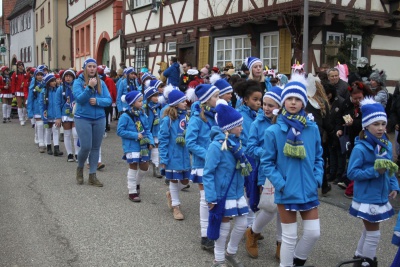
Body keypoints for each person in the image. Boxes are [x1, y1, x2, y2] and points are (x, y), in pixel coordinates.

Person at [260, 74, 324, 267]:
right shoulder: (273, 131)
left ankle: (298, 261)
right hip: (286, 190)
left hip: (308, 189)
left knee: (313, 233)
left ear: (304, 102)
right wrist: (281, 183)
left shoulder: (312, 128)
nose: (293, 103)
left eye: (297, 99)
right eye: (289, 99)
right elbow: (267, 163)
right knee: (289, 237)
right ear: (283, 102)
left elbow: (319, 157)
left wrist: (317, 178)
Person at [347, 97, 399, 266]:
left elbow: (389, 168)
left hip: (380, 194)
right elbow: (352, 173)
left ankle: (359, 257)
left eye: (383, 124)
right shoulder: (360, 147)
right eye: (376, 124)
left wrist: (394, 185)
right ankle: (367, 263)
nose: (380, 128)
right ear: (366, 125)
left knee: (368, 231)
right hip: (367, 196)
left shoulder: (386, 145)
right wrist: (375, 171)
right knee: (374, 234)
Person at [203, 99, 250, 267]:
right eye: (239, 126)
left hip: (237, 191)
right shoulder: (216, 146)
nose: (241, 128)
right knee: (223, 228)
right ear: (229, 127)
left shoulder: (237, 143)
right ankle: (219, 259)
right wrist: (211, 197)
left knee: (243, 223)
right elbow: (208, 173)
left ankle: (231, 252)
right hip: (223, 193)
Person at [245, 86, 283, 260]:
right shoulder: (257, 124)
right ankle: (252, 232)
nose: (266, 108)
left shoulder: (284, 123)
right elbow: (250, 148)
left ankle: (281, 243)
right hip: (265, 171)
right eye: (264, 104)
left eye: (270, 105)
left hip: (284, 171)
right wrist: (268, 153)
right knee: (269, 208)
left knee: (284, 209)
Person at [185, 83, 220, 250]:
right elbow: (190, 142)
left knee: (214, 198)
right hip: (202, 164)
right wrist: (208, 154)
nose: (218, 99)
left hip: (217, 163)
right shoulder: (196, 119)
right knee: (206, 199)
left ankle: (213, 231)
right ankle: (205, 235)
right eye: (216, 96)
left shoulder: (216, 116)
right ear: (206, 100)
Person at [73, 58, 112, 187]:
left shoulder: (102, 82)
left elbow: (108, 100)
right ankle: (79, 169)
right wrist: (89, 87)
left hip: (99, 118)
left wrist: (98, 101)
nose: (92, 69)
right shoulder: (78, 82)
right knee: (86, 146)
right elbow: (80, 99)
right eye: (89, 66)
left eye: (94, 66)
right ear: (85, 68)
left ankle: (92, 175)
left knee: (95, 147)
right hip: (83, 117)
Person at [336, 81, 374, 197]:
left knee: (360, 159)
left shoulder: (369, 105)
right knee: (351, 157)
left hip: (364, 136)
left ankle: (352, 183)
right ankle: (348, 180)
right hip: (351, 136)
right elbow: (340, 116)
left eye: (359, 98)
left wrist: (354, 123)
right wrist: (339, 128)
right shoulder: (347, 103)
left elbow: (367, 122)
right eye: (355, 98)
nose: (357, 101)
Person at [234, 79, 263, 228]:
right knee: (248, 190)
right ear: (245, 100)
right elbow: (239, 138)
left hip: (257, 157)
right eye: (255, 99)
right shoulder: (239, 115)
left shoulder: (261, 115)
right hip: (245, 157)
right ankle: (248, 225)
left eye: (260, 100)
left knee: (256, 190)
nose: (258, 103)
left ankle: (251, 224)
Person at [117, 90, 154, 202]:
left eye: (142, 100)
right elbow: (120, 131)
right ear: (132, 103)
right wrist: (135, 135)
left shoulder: (143, 114)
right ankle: (132, 191)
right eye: (139, 101)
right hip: (131, 146)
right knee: (133, 167)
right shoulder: (125, 116)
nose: (142, 103)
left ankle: (137, 183)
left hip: (143, 146)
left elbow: (147, 129)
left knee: (145, 167)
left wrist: (151, 141)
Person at [159, 89, 191, 220]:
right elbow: (163, 139)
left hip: (185, 155)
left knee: (185, 181)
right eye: (183, 101)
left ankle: (171, 194)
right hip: (173, 156)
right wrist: (164, 157)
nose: (185, 103)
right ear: (176, 103)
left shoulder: (186, 117)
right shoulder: (168, 120)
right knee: (173, 179)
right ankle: (176, 206)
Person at [56, 69, 79, 162]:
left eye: (70, 76)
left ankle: (77, 153)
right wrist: (58, 117)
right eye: (66, 76)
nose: (68, 77)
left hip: (76, 112)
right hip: (65, 113)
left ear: (73, 77)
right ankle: (70, 154)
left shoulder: (77, 87)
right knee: (67, 134)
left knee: (76, 133)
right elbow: (57, 103)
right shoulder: (60, 89)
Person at [40, 74, 64, 156]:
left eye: (55, 81)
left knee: (55, 130)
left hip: (56, 114)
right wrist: (44, 117)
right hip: (48, 114)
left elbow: (59, 102)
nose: (54, 82)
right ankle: (49, 146)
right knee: (48, 130)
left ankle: (56, 148)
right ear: (48, 82)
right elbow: (42, 105)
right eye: (52, 81)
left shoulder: (58, 90)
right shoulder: (44, 92)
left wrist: (59, 115)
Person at [144, 83, 162, 178]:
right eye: (154, 96)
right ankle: (143, 164)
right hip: (147, 132)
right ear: (149, 97)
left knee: (156, 148)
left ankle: (156, 167)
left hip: (156, 131)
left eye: (157, 95)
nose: (157, 98)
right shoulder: (145, 108)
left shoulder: (159, 106)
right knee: (146, 148)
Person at [27, 68, 46, 153]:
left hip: (45, 106)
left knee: (45, 125)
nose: (40, 76)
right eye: (38, 75)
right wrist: (30, 112)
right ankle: (41, 143)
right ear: (35, 76)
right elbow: (30, 99)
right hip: (36, 107)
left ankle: (44, 140)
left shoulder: (46, 84)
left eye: (41, 75)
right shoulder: (33, 84)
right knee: (40, 124)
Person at [11, 61, 29, 125]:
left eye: (22, 65)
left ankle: (24, 116)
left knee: (25, 104)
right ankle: (21, 119)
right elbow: (13, 83)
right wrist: (13, 92)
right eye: (20, 65)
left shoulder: (25, 73)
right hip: (18, 90)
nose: (21, 66)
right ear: (17, 66)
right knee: (19, 104)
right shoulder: (15, 74)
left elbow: (27, 80)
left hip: (24, 90)